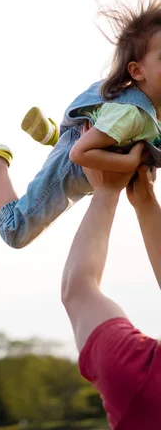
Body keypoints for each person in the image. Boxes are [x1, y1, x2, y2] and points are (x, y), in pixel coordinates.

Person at [0, 0, 161, 249]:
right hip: (77, 161)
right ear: (138, 71)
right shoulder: (130, 115)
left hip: (97, 143)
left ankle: (58, 137)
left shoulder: (148, 111)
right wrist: (129, 162)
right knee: (15, 231)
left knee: (110, 147)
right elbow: (80, 153)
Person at [61, 160, 161, 429]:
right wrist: (143, 202)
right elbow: (77, 289)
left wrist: (108, 190)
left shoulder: (139, 383)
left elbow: (79, 289)